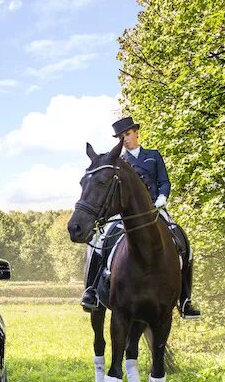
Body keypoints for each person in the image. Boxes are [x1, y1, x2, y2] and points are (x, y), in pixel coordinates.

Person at [81, 116, 201, 319]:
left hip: (155, 207)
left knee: (182, 241)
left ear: (136, 132)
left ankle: (186, 300)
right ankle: (91, 290)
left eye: (127, 134)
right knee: (100, 242)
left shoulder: (153, 156)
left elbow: (164, 181)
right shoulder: (119, 162)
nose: (125, 139)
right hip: (125, 213)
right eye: (121, 136)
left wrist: (162, 198)